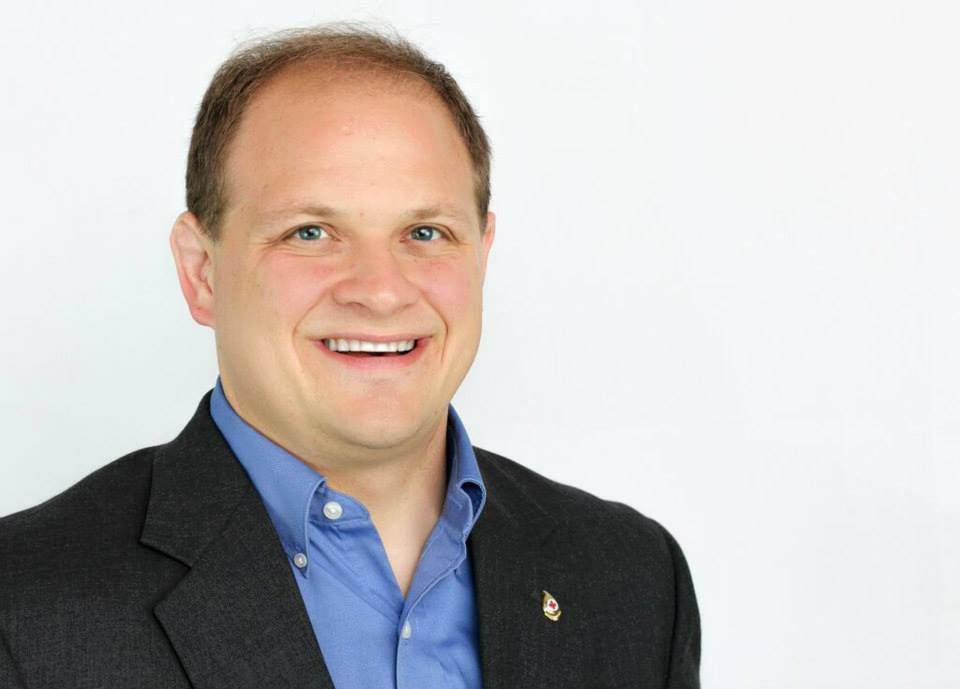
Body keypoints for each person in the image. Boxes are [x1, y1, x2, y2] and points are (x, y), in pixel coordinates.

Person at [0, 24, 700, 689]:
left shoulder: (631, 577)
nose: (381, 290)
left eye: (425, 232)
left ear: (482, 256)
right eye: (310, 232)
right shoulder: (24, 604)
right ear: (201, 272)